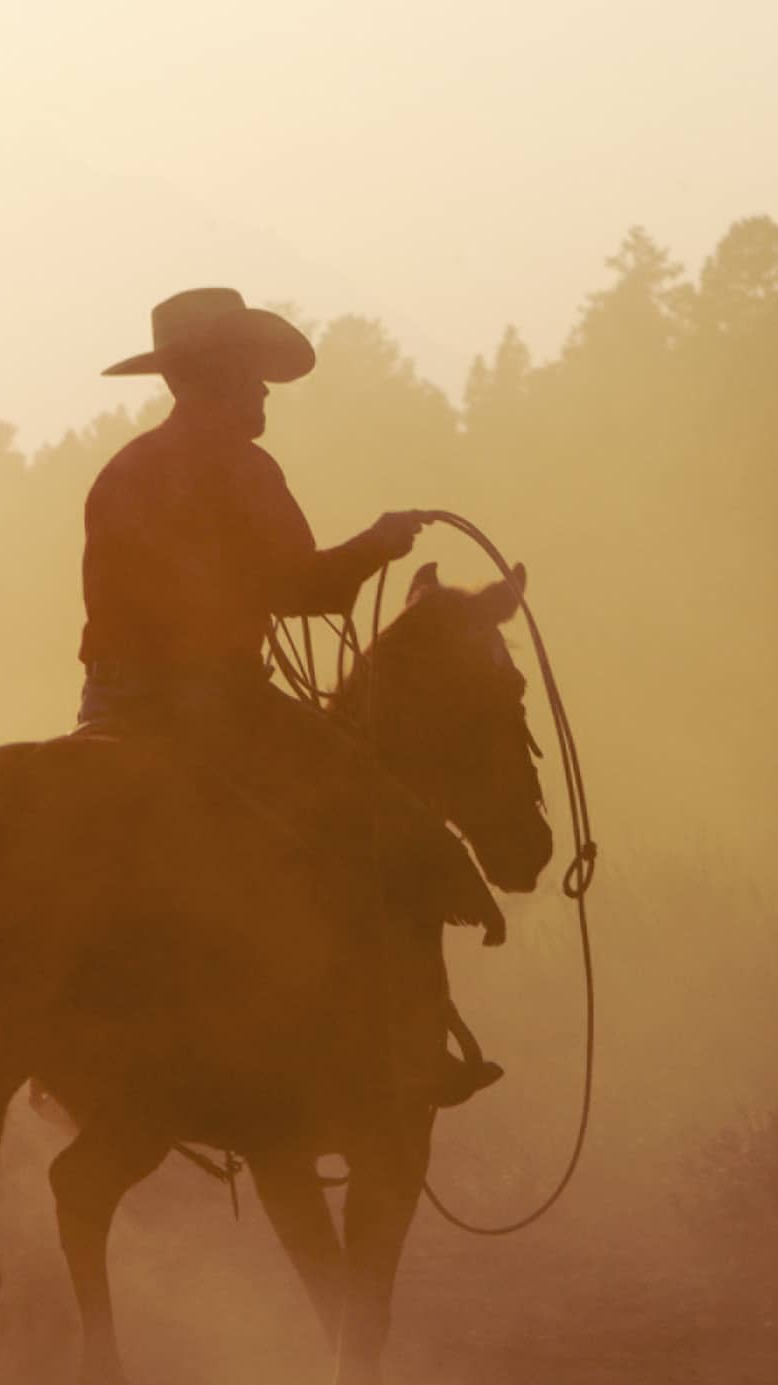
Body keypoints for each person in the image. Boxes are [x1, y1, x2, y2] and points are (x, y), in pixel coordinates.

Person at [77, 288, 501, 1107]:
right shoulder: (239, 464)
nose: (265, 391)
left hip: (108, 710)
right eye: (253, 373)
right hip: (215, 710)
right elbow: (301, 591)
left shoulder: (123, 470)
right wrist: (380, 542)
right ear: (221, 374)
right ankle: (409, 1049)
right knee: (380, 813)